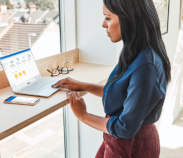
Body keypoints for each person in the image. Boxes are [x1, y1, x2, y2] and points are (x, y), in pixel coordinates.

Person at [52, 0, 171, 157]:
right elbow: (124, 94)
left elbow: (125, 128)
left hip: (130, 143)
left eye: (108, 18)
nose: (103, 24)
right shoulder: (136, 52)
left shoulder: (145, 66)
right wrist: (83, 85)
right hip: (119, 138)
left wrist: (82, 115)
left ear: (128, 18)